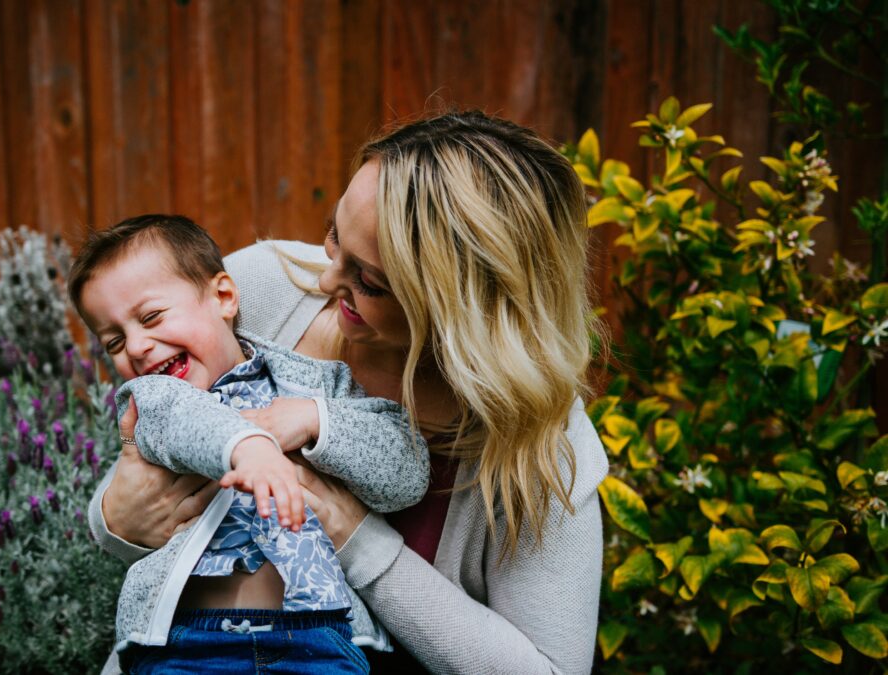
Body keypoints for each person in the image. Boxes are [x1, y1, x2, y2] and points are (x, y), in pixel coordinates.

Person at [90, 111, 609, 674]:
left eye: (370, 282)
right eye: (335, 234)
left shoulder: (545, 450)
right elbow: (153, 451)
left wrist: (360, 543)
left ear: (467, 312)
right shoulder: (264, 289)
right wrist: (115, 518)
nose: (327, 280)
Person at [68, 214, 429, 673]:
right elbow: (185, 421)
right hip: (191, 643)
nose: (137, 346)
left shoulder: (315, 385)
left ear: (223, 296)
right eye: (114, 341)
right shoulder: (152, 401)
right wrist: (247, 446)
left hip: (320, 635)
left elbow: (404, 474)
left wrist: (316, 419)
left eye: (152, 317)